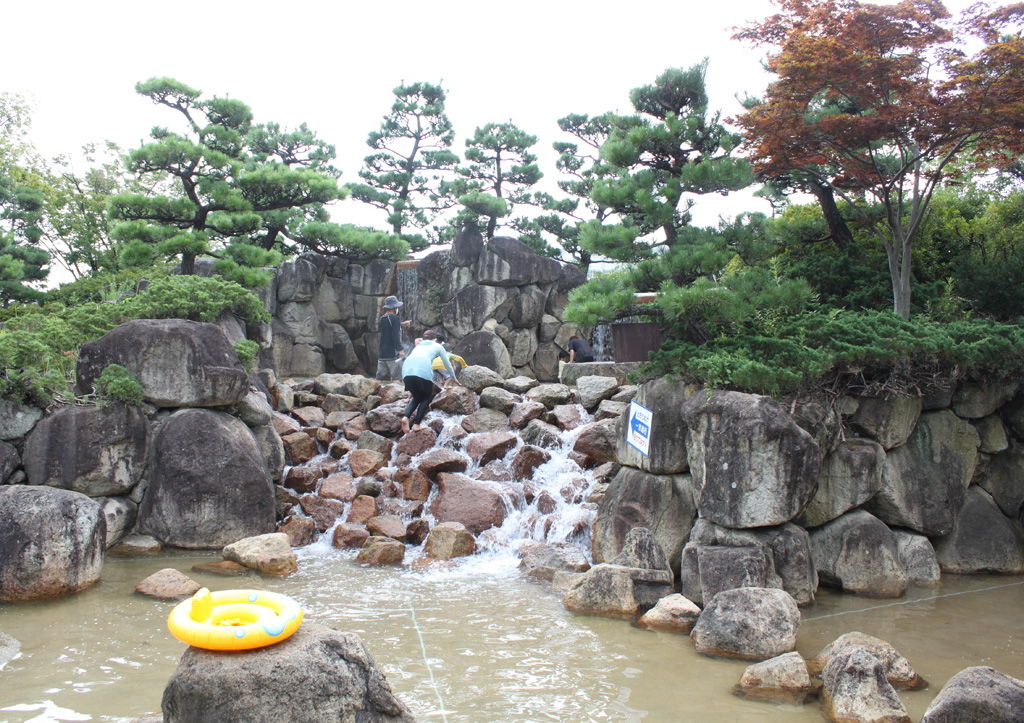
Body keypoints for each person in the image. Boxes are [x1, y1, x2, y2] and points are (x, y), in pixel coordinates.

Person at [401, 330, 459, 433]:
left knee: (417, 396)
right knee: (426, 398)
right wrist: (453, 377)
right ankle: (416, 425)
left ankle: (406, 417)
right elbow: (447, 364)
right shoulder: (438, 346)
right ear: (435, 339)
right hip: (422, 371)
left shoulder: (418, 346)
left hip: (406, 371)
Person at [376, 295, 411, 381]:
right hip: (392, 354)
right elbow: (394, 335)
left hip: (382, 353)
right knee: (397, 378)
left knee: (380, 379)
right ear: (395, 308)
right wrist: (400, 350)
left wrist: (401, 324)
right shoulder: (394, 318)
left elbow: (388, 330)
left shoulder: (382, 318)